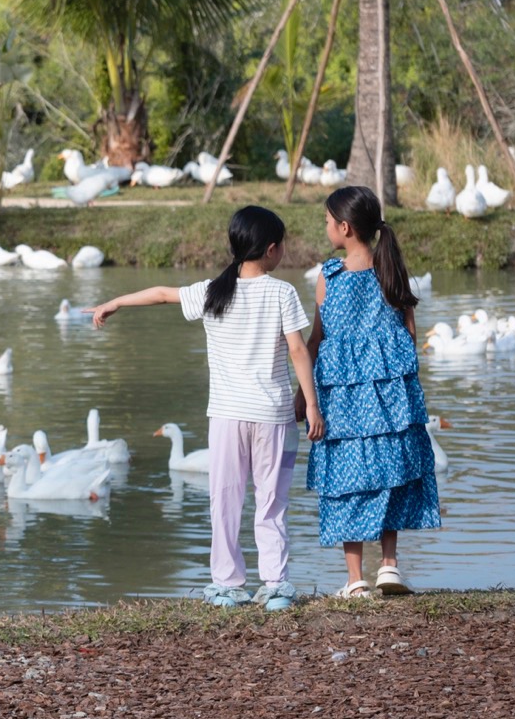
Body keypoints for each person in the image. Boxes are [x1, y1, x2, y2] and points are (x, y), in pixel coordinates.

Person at [90, 205, 322, 611]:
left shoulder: (213, 291)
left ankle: (228, 585)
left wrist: (115, 302)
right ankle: (276, 585)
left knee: (225, 499)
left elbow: (162, 294)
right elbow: (299, 351)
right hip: (274, 416)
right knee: (272, 501)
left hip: (227, 415)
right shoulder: (282, 293)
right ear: (272, 250)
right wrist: (314, 407)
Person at [307, 185, 439, 597]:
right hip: (390, 400)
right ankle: (390, 567)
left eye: (328, 221)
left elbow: (316, 339)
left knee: (347, 480)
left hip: (343, 401)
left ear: (344, 228)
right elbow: (409, 335)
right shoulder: (391, 272)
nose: (326, 227)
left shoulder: (329, 278)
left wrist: (304, 394)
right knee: (389, 474)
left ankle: (354, 579)